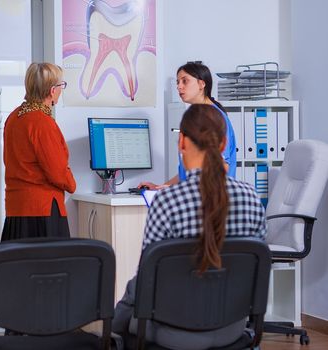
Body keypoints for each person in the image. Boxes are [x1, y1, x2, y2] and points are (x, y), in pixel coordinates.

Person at [112, 104, 266, 349]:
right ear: (224, 144)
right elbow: (257, 273)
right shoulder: (251, 197)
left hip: (172, 331)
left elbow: (146, 278)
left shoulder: (167, 201)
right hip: (232, 329)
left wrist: (115, 319)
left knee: (120, 324)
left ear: (181, 142)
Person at [1, 62, 76, 241]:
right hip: (42, 211)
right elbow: (57, 172)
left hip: (16, 209)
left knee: (19, 267)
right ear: (52, 90)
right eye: (61, 85)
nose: (61, 90)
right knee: (48, 267)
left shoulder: (14, 117)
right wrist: (71, 184)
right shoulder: (42, 122)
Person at [139, 61, 236, 189]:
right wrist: (161, 187)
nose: (179, 86)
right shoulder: (197, 118)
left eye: (185, 81)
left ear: (201, 84)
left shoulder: (214, 119)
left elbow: (222, 166)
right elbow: (187, 172)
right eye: (178, 82)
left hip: (213, 199)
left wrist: (178, 190)